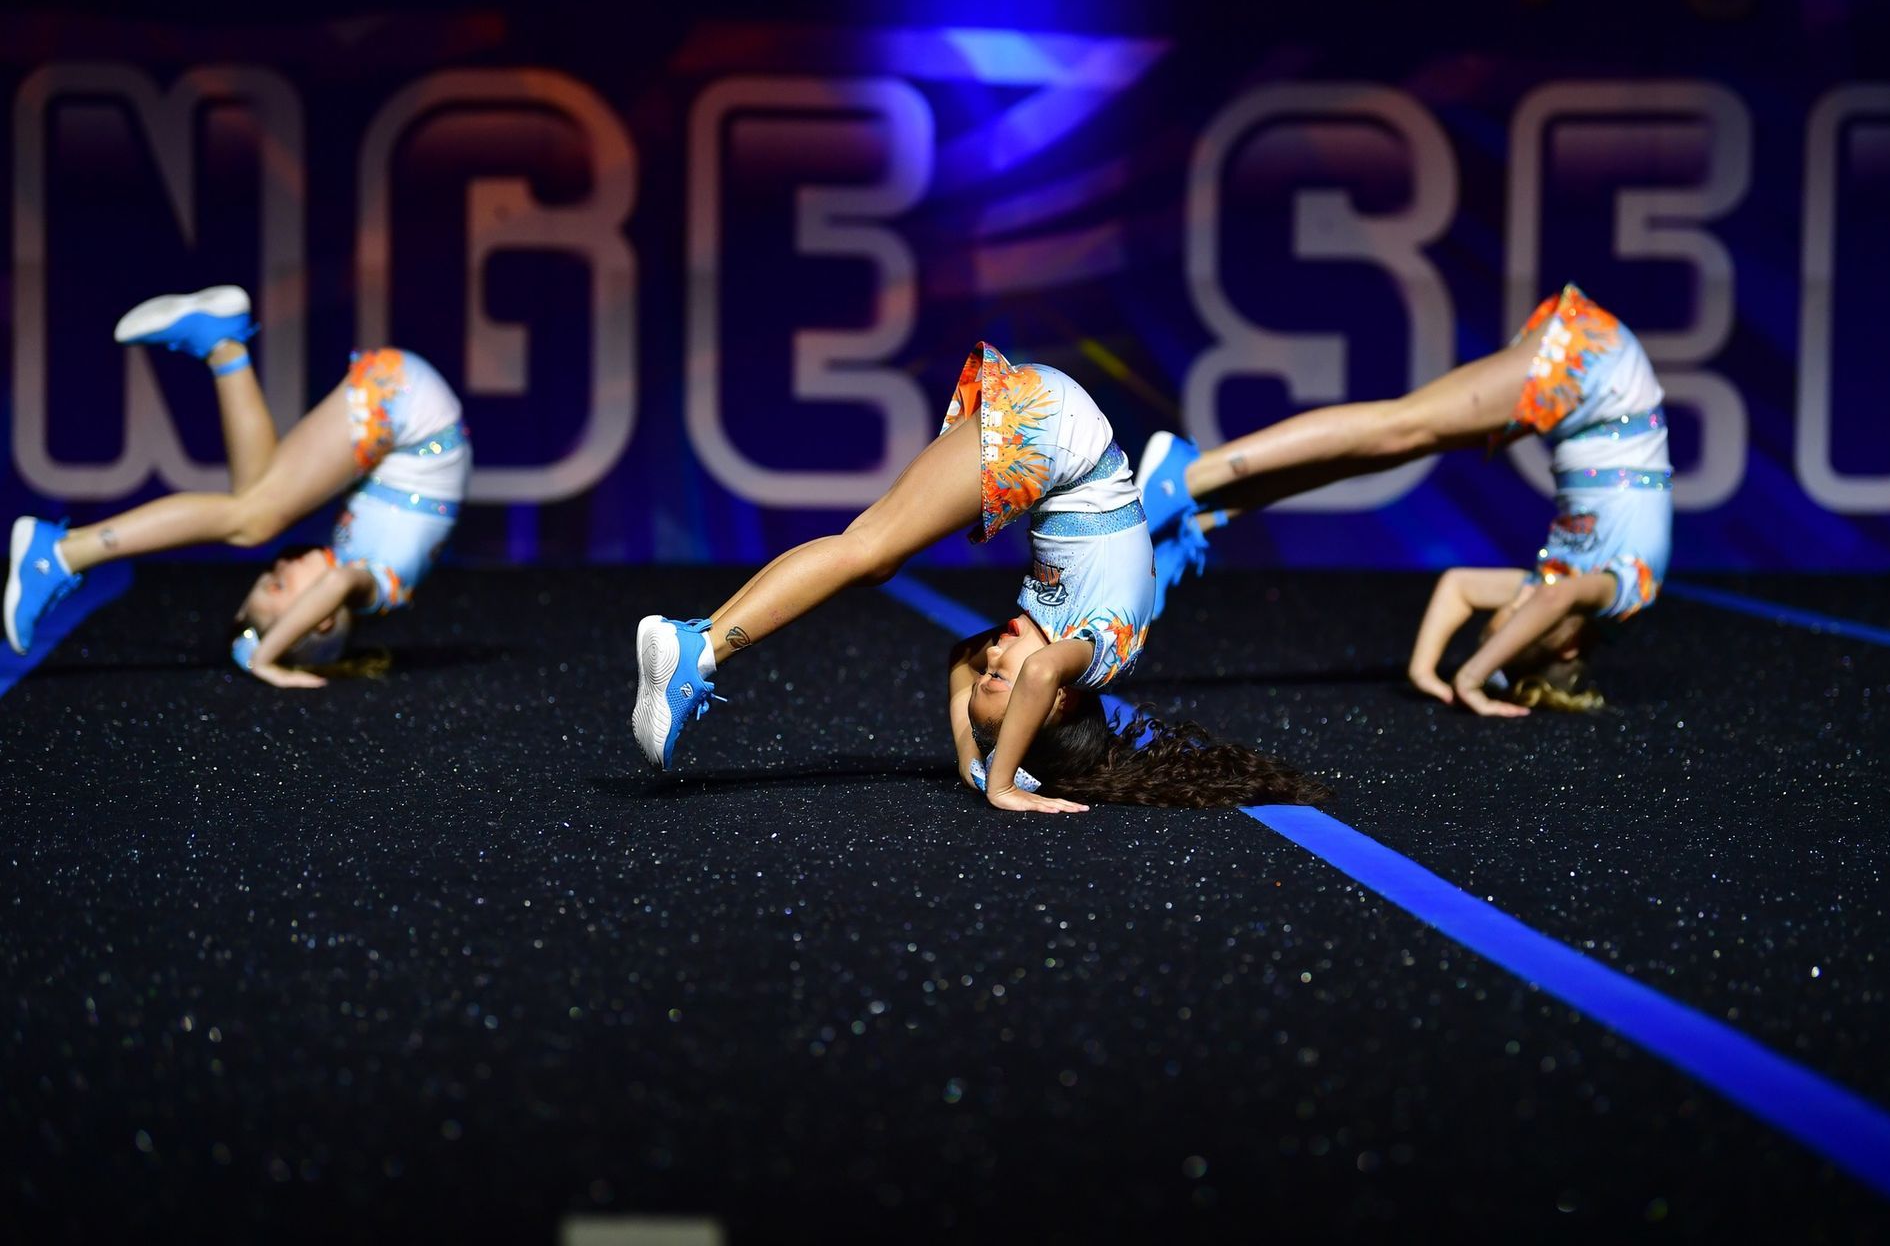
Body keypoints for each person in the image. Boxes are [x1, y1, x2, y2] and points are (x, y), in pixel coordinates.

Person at [629, 341, 1328, 811]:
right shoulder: (1103, 659)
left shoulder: (1041, 650)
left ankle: (701, 638)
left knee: (871, 550)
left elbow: (959, 661)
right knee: (869, 551)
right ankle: (703, 650)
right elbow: (1036, 673)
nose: (994, 653)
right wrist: (999, 785)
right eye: (1007, 679)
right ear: (1056, 704)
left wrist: (970, 760)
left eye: (991, 673)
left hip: (1057, 435)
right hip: (1058, 439)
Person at [1139, 284, 1671, 714]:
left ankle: (1200, 517)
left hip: (1587, 399)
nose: (1514, 610)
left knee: (1384, 451)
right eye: (1514, 625)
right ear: (1568, 644)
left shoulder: (1553, 587)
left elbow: (1459, 587)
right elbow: (1550, 603)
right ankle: (1186, 476)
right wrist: (1471, 678)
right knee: (1400, 426)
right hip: (1601, 372)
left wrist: (1424, 668)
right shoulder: (1623, 593)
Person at [4, 287, 470, 688]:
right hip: (413, 411)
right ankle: (63, 552)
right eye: (280, 586)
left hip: (408, 411)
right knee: (253, 523)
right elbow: (339, 581)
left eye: (266, 580)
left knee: (253, 497)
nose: (274, 570)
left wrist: (254, 646)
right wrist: (266, 658)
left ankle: (222, 343)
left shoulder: (359, 566)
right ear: (322, 617)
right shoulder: (378, 588)